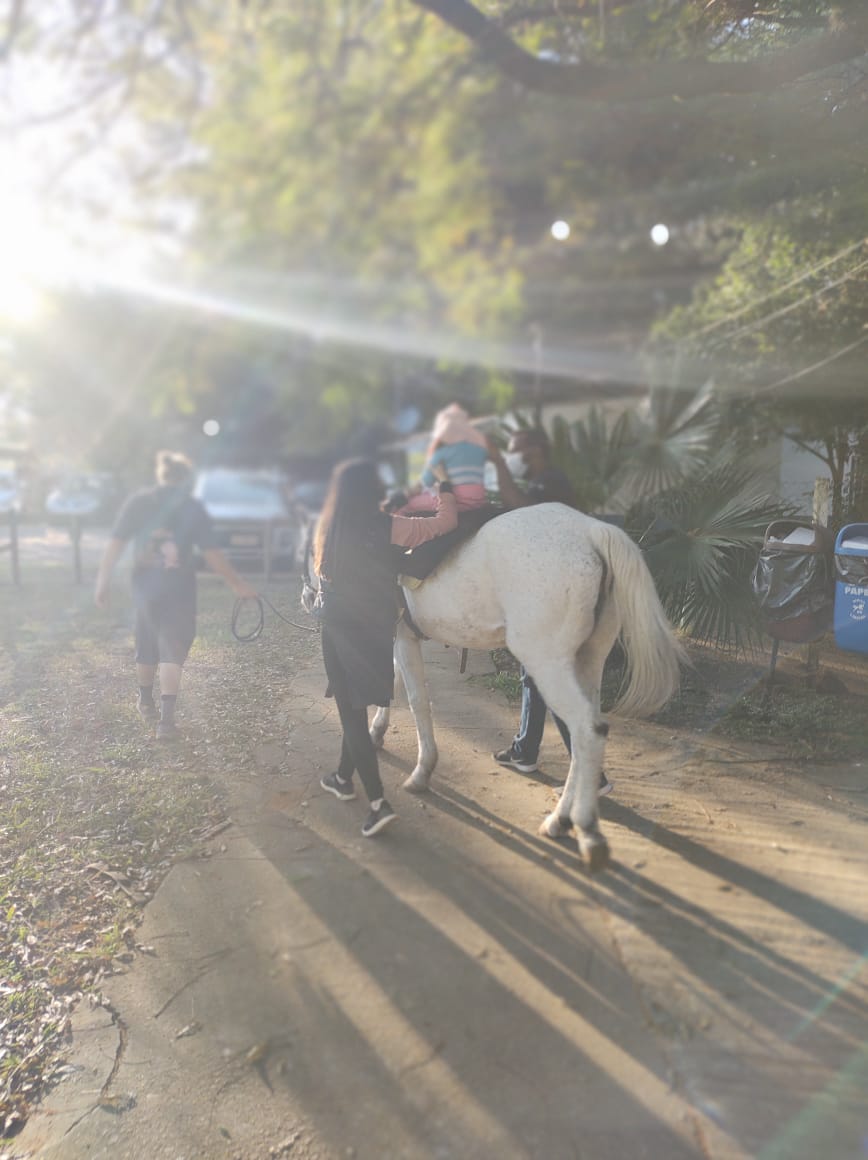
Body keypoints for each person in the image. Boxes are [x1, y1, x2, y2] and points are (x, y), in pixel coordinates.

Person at [312, 457, 458, 836]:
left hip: (339, 627)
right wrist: (445, 488)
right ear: (374, 490)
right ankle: (343, 778)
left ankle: (378, 803)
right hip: (377, 627)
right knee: (357, 707)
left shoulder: (328, 529)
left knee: (351, 715)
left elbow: (322, 578)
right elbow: (446, 525)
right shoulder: (391, 526)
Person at [94, 451, 257, 740]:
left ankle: (145, 701)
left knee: (146, 640)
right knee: (172, 647)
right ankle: (166, 723)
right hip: (179, 588)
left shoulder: (139, 501)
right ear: (186, 479)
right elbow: (213, 554)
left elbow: (116, 544)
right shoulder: (191, 507)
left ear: (161, 475)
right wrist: (237, 583)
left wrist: (102, 580)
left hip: (145, 586)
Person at [486, 428, 612, 795]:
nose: (511, 457)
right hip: (546, 590)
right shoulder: (544, 480)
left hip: (561, 593)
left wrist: (496, 463)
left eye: (514, 452)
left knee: (550, 675)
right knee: (534, 675)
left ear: (535, 451)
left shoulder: (551, 483)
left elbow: (521, 508)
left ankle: (592, 775)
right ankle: (525, 750)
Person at [399, 402, 488, 514]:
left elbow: (426, 482)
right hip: (478, 499)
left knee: (408, 505)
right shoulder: (479, 450)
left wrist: (406, 493)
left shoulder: (441, 453)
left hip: (456, 501)